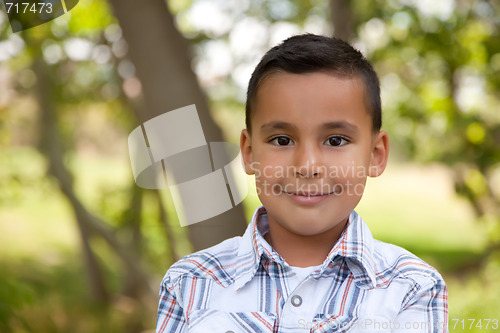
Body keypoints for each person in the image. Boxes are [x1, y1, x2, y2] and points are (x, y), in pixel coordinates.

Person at [156, 34, 448, 333]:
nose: (307, 166)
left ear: (375, 155)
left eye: (336, 140)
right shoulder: (190, 283)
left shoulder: (411, 288)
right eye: (282, 140)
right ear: (249, 152)